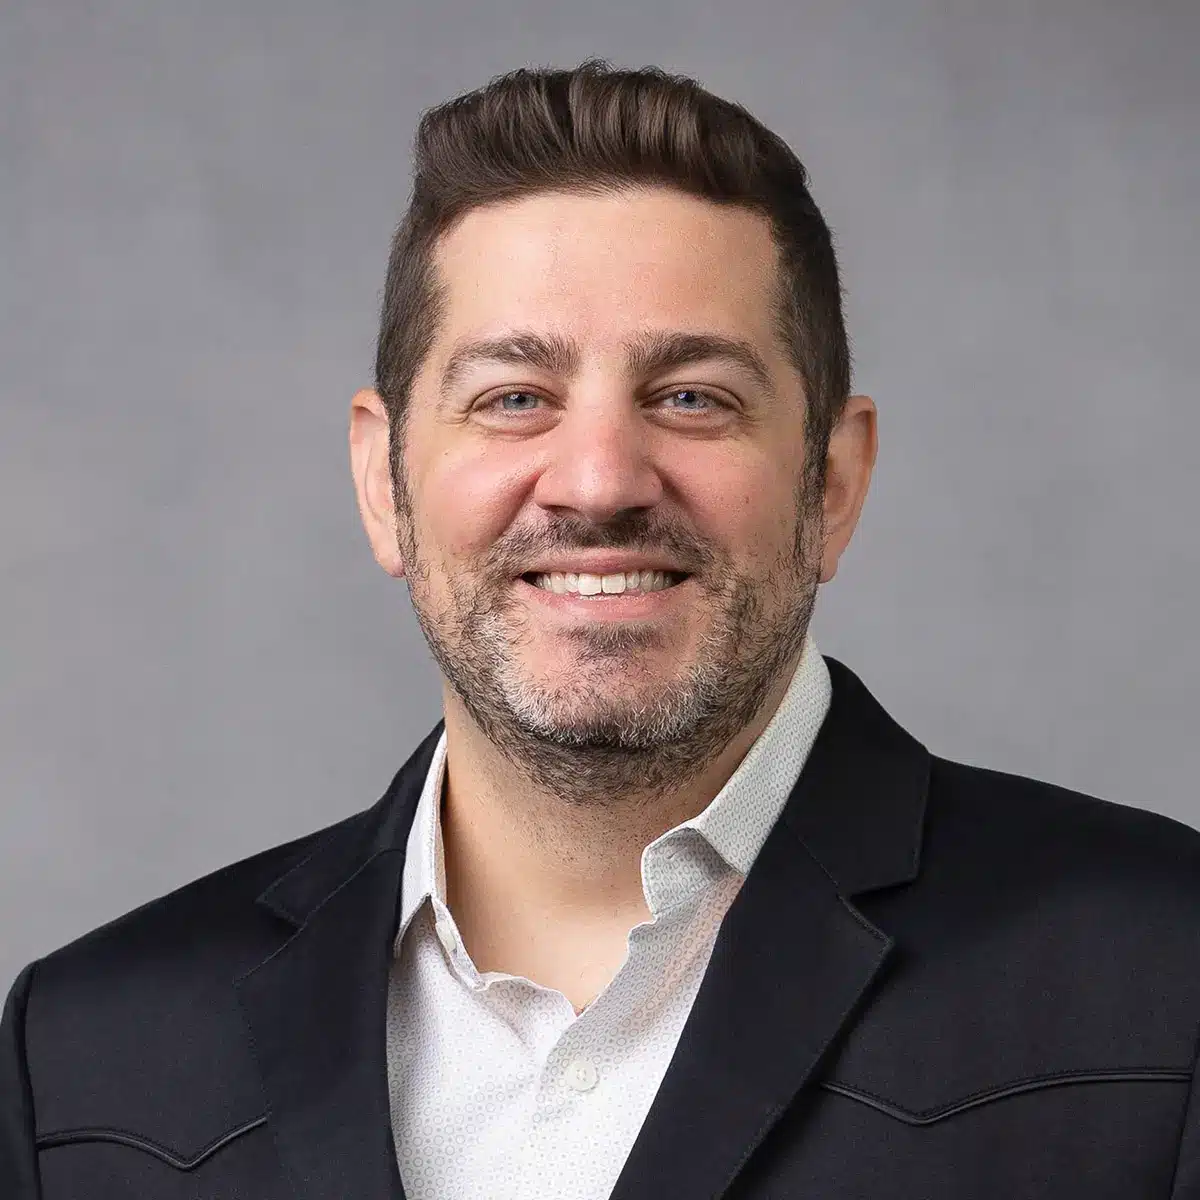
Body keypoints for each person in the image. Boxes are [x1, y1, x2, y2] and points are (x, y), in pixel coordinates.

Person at [3, 57, 1200, 1200]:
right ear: (383, 479)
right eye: (515, 397)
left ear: (832, 482)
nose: (599, 480)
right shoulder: (87, 1061)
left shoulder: (1162, 978)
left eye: (692, 397)